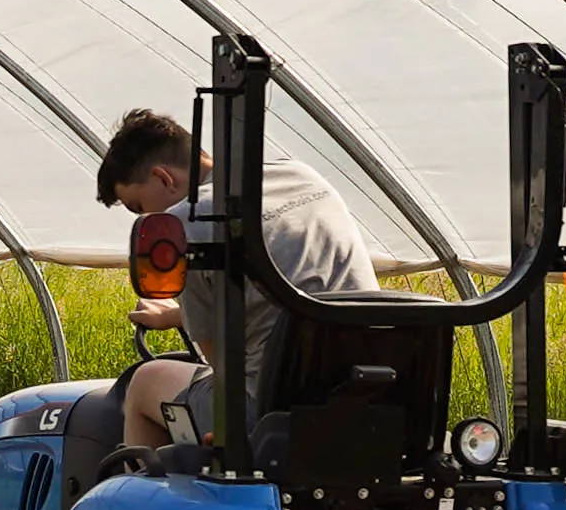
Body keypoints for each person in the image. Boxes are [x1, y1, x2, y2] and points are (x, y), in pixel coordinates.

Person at [97, 103, 379, 449]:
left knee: (144, 383)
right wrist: (175, 315)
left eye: (138, 207)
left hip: (272, 410)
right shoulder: (301, 176)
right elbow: (289, 293)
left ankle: (156, 499)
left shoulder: (187, 224)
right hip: (367, 388)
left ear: (163, 178)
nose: (147, 216)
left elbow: (221, 365)